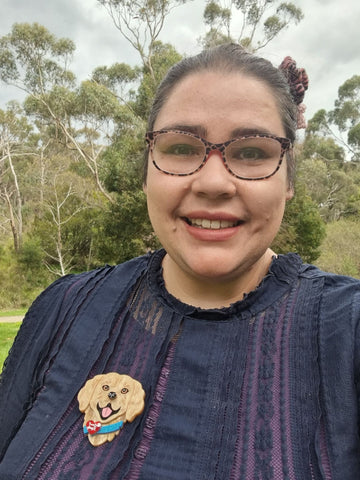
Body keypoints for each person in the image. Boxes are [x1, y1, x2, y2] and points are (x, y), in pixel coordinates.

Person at [0, 43, 359, 480]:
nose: (212, 182)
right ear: (147, 169)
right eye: (182, 148)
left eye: (252, 152)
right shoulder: (63, 308)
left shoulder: (347, 331)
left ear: (288, 181)